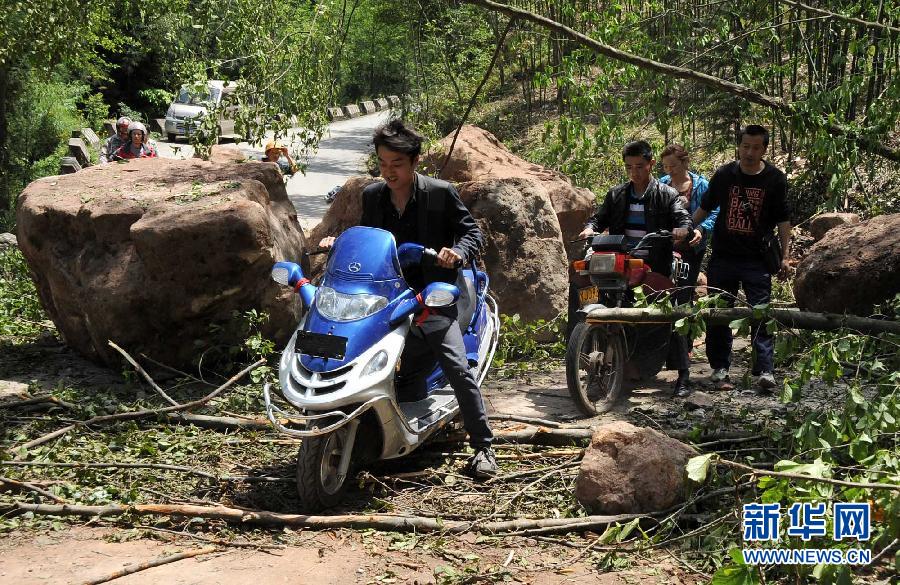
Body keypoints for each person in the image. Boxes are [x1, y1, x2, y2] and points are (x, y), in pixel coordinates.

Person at [318, 119, 497, 478]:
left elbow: (471, 232)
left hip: (433, 295)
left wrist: (457, 252)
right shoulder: (373, 196)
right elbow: (370, 242)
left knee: (456, 366)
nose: (388, 172)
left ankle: (483, 447)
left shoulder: (440, 193)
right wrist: (338, 243)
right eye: (383, 164)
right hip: (387, 297)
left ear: (415, 162)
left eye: (396, 165)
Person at [574, 140, 694, 397]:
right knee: (595, 300)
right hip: (619, 265)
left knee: (668, 313)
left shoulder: (666, 194)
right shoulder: (617, 194)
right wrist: (590, 227)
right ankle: (600, 363)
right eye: (629, 167)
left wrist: (682, 228)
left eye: (640, 166)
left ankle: (683, 375)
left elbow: (680, 215)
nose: (634, 172)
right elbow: (599, 218)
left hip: (653, 265)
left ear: (651, 165)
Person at [692, 124, 791, 392]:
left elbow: (783, 221)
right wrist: (686, 230)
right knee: (719, 314)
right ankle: (720, 368)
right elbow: (705, 207)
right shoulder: (725, 174)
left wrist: (785, 256)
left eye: (756, 147)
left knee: (760, 313)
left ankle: (765, 371)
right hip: (724, 256)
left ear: (764, 149)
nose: (749, 152)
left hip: (757, 260)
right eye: (745, 146)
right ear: (739, 145)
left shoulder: (775, 179)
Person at [659, 143, 719, 291]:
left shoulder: (701, 185)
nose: (669, 170)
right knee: (663, 287)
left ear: (685, 162)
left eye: (673, 166)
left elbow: (715, 211)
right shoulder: (662, 184)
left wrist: (701, 229)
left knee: (685, 288)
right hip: (665, 246)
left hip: (692, 247)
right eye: (665, 166)